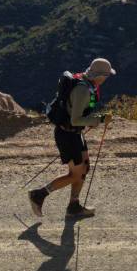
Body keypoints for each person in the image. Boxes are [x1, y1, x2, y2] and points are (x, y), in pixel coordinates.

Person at [28, 58, 115, 219]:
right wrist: (101, 119)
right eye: (107, 75)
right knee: (75, 174)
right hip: (68, 135)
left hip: (73, 133)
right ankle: (39, 194)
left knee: (84, 168)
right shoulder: (83, 90)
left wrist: (95, 119)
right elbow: (76, 119)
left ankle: (74, 206)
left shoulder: (85, 81)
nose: (107, 79)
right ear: (101, 75)